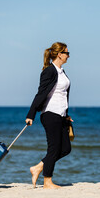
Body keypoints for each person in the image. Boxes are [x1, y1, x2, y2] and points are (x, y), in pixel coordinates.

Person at [25, 42, 73, 189]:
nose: (68, 55)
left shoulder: (62, 72)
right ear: (59, 54)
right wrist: (31, 115)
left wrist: (66, 115)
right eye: (66, 52)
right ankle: (47, 181)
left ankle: (38, 167)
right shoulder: (49, 71)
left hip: (60, 114)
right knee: (53, 148)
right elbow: (40, 93)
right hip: (50, 113)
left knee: (65, 149)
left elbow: (63, 95)